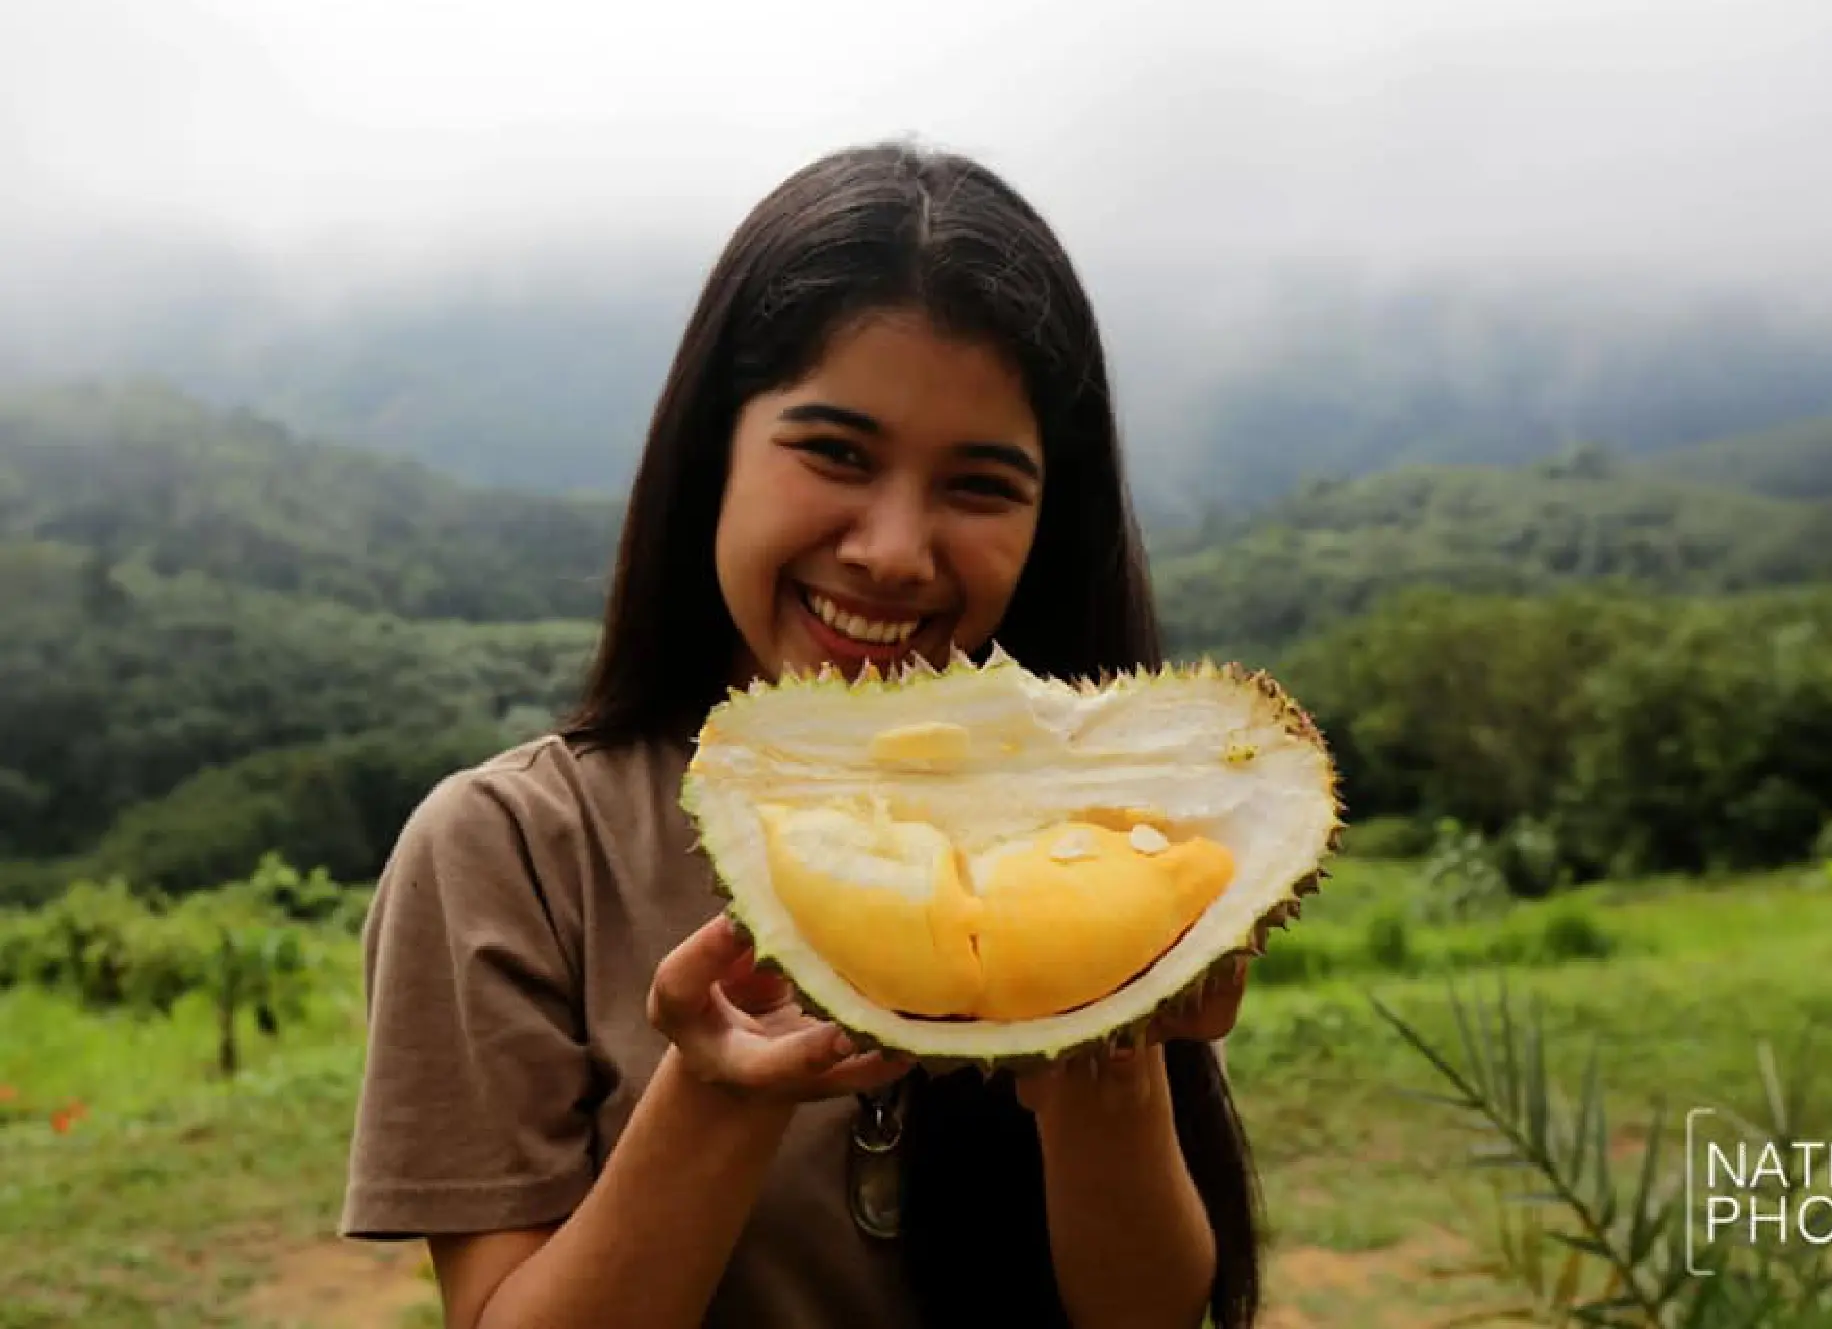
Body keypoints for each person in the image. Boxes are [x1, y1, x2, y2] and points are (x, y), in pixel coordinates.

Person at [340, 140, 1266, 1329]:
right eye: (834, 453)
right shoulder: (510, 848)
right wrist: (718, 1095)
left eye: (979, 485)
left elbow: (1144, 1315)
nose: (892, 550)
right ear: (711, 453)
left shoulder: (1100, 824)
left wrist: (1104, 1050)